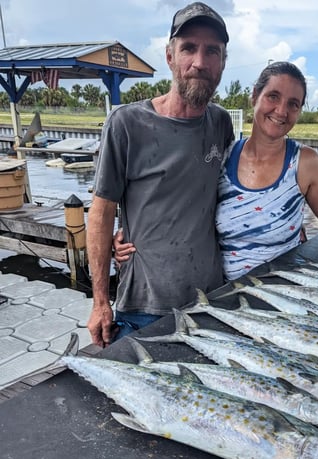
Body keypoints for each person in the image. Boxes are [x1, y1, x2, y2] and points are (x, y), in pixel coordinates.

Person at [115, 62, 318, 287]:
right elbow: (176, 205)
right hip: (224, 296)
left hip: (283, 294)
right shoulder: (223, 155)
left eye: (293, 104)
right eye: (273, 96)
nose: (281, 111)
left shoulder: (305, 162)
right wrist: (128, 235)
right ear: (254, 96)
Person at [86, 2, 234, 347]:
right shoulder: (126, 123)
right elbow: (102, 210)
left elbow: (234, 190)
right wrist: (99, 302)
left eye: (212, 51)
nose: (199, 62)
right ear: (170, 57)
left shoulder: (221, 123)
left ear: (223, 63)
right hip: (144, 304)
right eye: (188, 49)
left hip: (210, 301)